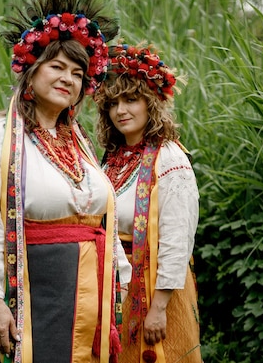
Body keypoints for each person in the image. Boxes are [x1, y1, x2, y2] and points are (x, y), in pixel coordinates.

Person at [0, 0, 132, 363]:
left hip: (90, 292)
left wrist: (121, 277)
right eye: (57, 67)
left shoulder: (79, 144)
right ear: (32, 70)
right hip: (36, 293)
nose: (69, 78)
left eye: (78, 73)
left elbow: (104, 220)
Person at [95, 43, 202, 363]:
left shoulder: (169, 159)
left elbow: (177, 239)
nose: (121, 111)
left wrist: (158, 308)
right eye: (112, 103)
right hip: (114, 286)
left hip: (156, 290)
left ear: (150, 103)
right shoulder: (110, 160)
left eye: (131, 99)